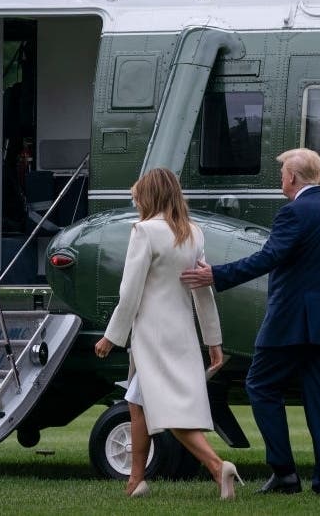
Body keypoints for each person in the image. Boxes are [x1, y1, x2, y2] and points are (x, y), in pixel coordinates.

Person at [180, 148, 320, 496]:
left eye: (282, 174)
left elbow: (269, 257)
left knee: (261, 386)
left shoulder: (293, 213)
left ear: (293, 177)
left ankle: (284, 473)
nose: (280, 179)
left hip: (291, 321)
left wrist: (216, 275)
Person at [94, 167, 242, 499]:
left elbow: (129, 292)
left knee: (166, 409)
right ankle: (136, 480)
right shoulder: (194, 233)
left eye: (137, 197)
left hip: (152, 337)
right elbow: (202, 293)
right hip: (182, 335)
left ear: (148, 196)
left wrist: (110, 337)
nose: (135, 203)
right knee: (137, 403)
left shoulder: (144, 231)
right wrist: (213, 342)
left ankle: (218, 467)